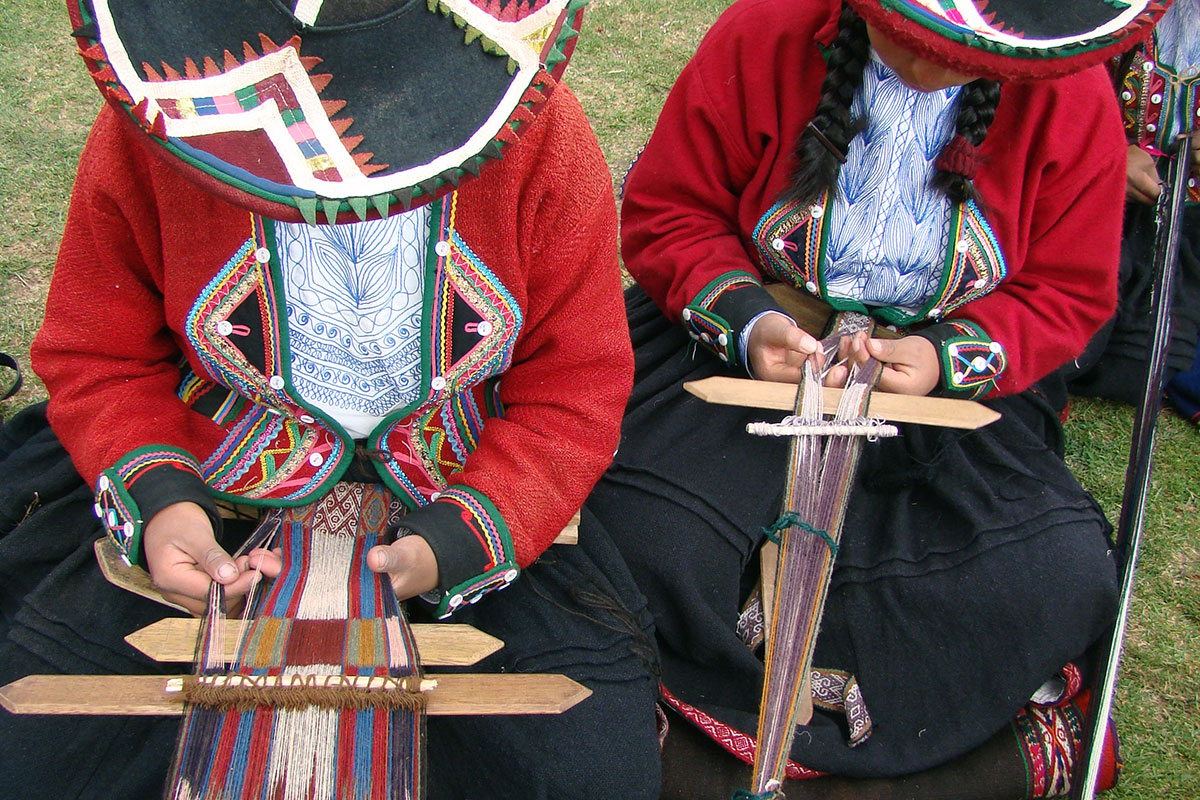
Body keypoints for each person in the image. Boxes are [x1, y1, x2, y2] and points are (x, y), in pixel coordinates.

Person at [0, 1, 660, 798]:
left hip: (465, 482)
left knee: (577, 767)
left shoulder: (540, 136)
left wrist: (461, 537)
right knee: (48, 755)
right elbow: (98, 353)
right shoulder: (157, 131)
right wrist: (163, 499)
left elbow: (577, 383)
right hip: (216, 480)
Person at [583, 0, 1167, 795]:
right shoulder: (766, 32)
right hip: (747, 348)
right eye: (908, 42)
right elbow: (668, 210)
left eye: (956, 56)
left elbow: (1071, 289)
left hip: (945, 387)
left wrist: (940, 356)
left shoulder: (1068, 93)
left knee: (1055, 575)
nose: (927, 69)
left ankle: (741, 733)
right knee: (641, 533)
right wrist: (750, 324)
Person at [1063, 0, 1200, 418]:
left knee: (1144, 366)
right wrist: (1108, 156)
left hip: (1186, 237)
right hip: (1085, 210)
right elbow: (1044, 99)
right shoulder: (1098, 13)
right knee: (1074, 345)